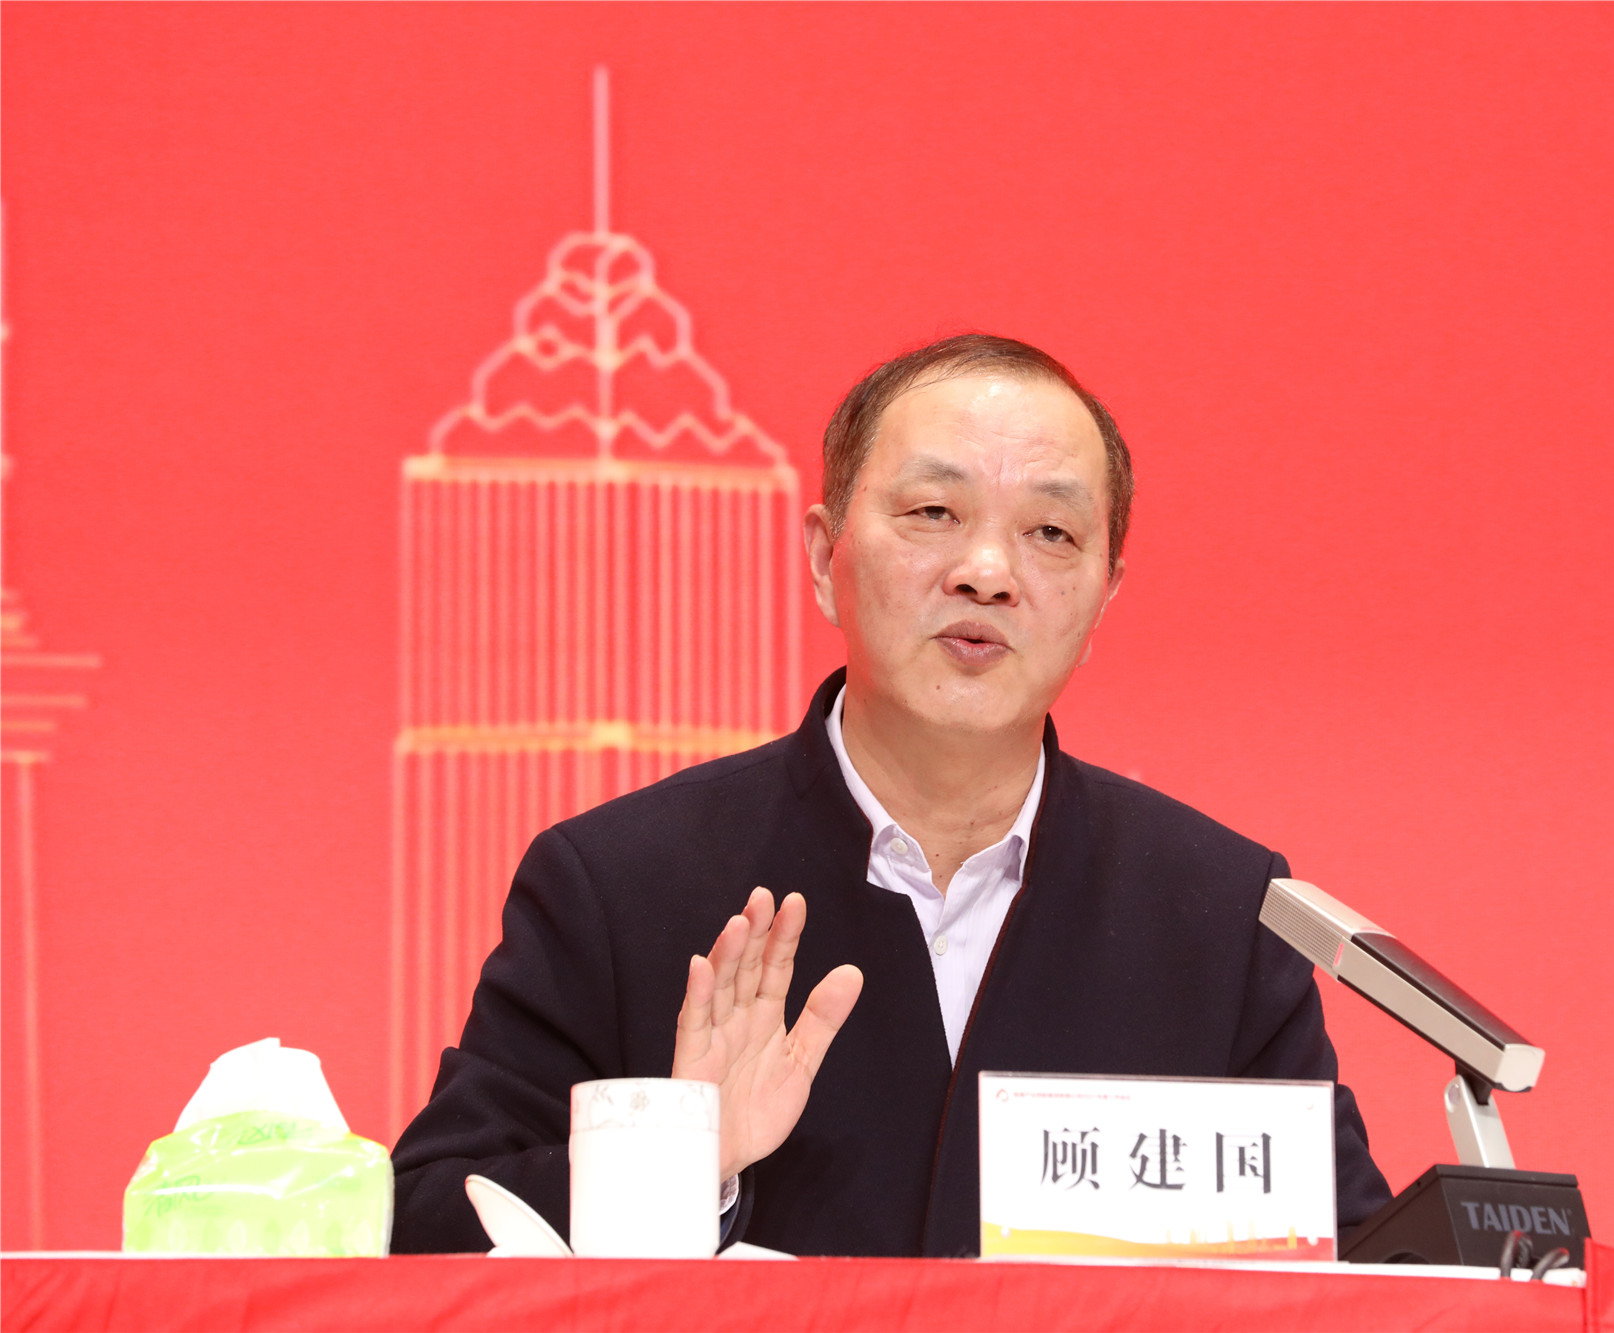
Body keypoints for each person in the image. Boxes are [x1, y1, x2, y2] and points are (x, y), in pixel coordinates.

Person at [390, 333, 1392, 1255]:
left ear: (1103, 597)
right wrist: (679, 1165)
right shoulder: (618, 883)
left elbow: (1353, 1268)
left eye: (1050, 531)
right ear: (823, 557)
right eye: (932, 513)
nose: (987, 573)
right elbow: (426, 1224)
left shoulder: (1219, 913)